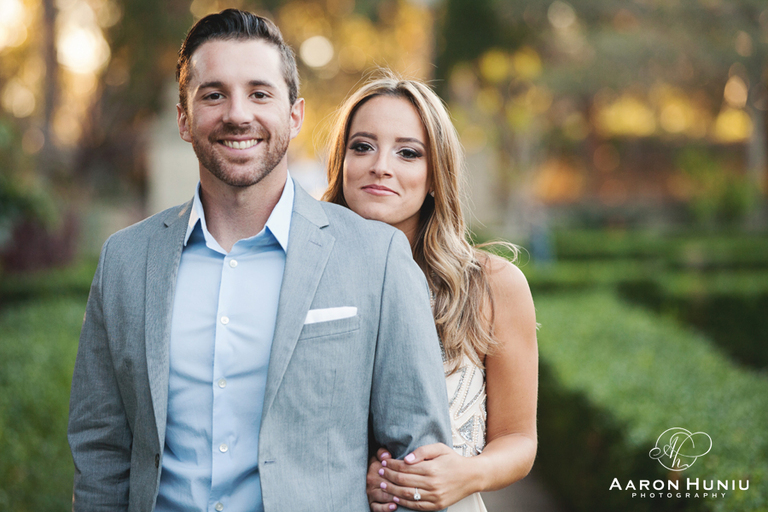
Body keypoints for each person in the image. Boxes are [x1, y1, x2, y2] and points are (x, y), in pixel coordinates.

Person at [68, 11, 451, 512]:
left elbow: (417, 457)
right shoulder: (124, 260)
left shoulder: (376, 258)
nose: (237, 114)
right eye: (213, 95)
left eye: (260, 93)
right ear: (184, 119)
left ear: (294, 116)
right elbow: (101, 448)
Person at [323, 74, 539, 512]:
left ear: (436, 175)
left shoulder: (493, 285)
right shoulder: (304, 277)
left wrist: (466, 474)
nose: (380, 165)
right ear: (341, 162)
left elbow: (519, 439)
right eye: (362, 147)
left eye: (408, 152)